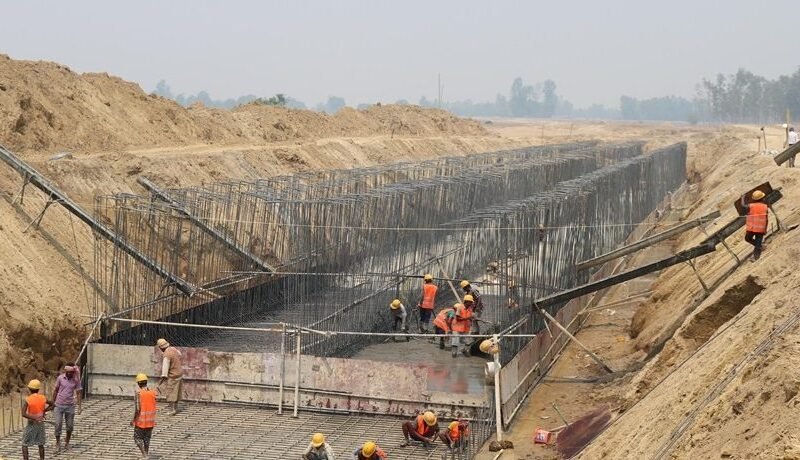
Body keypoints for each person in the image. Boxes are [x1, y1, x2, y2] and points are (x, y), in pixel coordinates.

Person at [51, 363, 82, 453]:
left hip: (70, 405)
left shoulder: (76, 379)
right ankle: (58, 443)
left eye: (71, 372)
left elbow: (78, 392)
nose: (69, 373)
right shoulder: (60, 378)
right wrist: (52, 403)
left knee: (70, 426)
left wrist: (79, 406)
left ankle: (67, 443)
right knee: (58, 424)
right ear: (65, 371)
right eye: (68, 372)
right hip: (59, 405)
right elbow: (56, 390)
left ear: (73, 372)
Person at [21, 379, 52, 460]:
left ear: (29, 389)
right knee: (40, 444)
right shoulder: (43, 397)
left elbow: (23, 414)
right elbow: (53, 404)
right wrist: (44, 411)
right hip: (40, 423)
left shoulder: (28, 399)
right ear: (38, 389)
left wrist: (34, 418)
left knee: (24, 443)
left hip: (31, 424)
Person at [132, 373, 157, 459]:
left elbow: (138, 409)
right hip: (150, 421)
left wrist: (133, 420)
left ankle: (144, 455)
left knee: (137, 438)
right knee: (147, 438)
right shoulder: (153, 392)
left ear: (139, 383)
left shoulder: (139, 393)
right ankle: (146, 454)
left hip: (141, 421)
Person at [155, 338, 183, 415]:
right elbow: (180, 355)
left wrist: (160, 381)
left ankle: (172, 410)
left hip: (173, 376)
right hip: (179, 374)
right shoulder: (173, 349)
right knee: (177, 393)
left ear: (161, 348)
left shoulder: (166, 355)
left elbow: (165, 371)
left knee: (171, 393)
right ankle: (175, 408)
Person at [741, 190, 768, 260]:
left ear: (754, 199)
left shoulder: (751, 206)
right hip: (761, 228)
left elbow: (743, 205)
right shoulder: (765, 207)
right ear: (762, 198)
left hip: (752, 227)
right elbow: (766, 219)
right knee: (758, 243)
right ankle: (761, 246)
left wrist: (742, 198)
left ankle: (755, 257)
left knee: (748, 238)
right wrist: (765, 229)